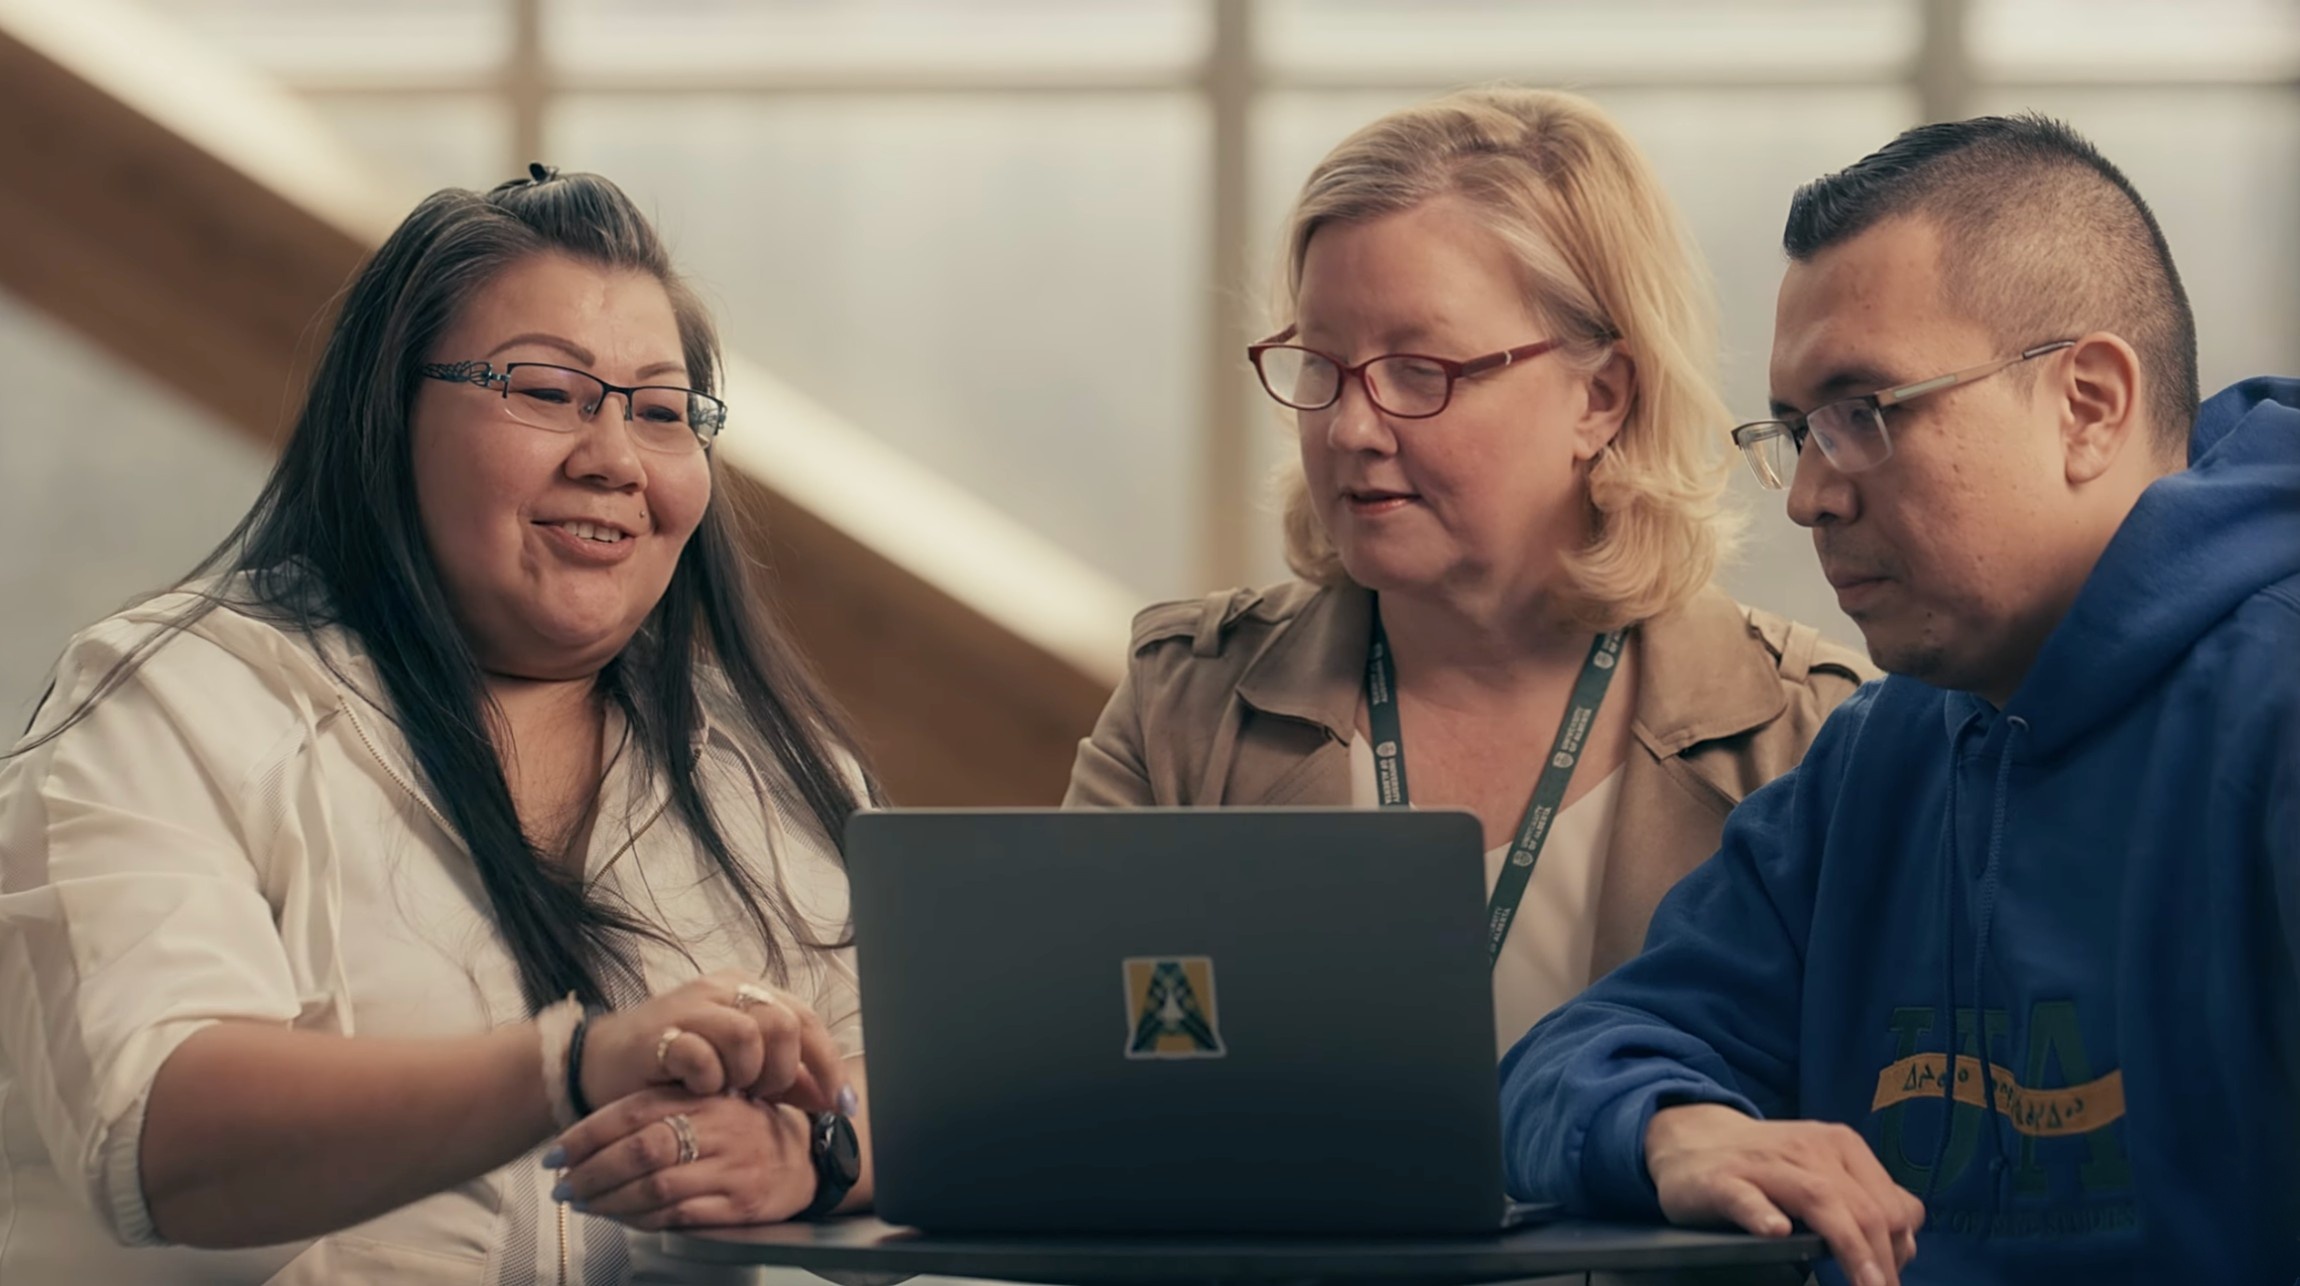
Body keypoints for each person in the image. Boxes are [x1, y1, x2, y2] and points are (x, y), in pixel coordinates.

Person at [0, 168, 878, 1284]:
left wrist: (816, 1150)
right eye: (547, 389)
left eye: (661, 410)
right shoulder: (171, 699)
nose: (612, 455)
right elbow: (158, 1140)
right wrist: (573, 1065)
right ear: (388, 416)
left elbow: (933, 1107)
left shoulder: (776, 771)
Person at [1498, 114, 2300, 1286]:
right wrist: (1674, 1125)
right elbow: (1569, 1059)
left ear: (2085, 403)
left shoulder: (2270, 713)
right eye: (1793, 429)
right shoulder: (1880, 752)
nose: (1808, 495)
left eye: (1861, 411)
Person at [1065, 88, 1872, 1044]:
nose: (1351, 428)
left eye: (1421, 371)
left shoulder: (1813, 737)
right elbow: (1064, 1056)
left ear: (1601, 398)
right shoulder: (1185, 706)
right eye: (1320, 363)